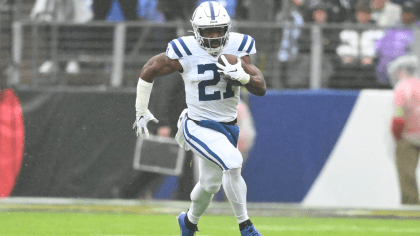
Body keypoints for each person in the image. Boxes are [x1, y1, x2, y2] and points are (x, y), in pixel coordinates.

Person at [132, 2, 266, 235]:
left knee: (209, 185)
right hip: (196, 124)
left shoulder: (238, 46)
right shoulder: (184, 49)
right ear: (196, 31)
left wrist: (243, 77)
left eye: (219, 31)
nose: (214, 38)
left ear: (228, 29)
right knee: (233, 162)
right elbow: (149, 69)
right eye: (207, 32)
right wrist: (141, 109)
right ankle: (246, 227)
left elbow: (261, 87)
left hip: (227, 126)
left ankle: (189, 222)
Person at [389, 54, 420, 205]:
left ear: (401, 70)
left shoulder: (402, 88)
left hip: (408, 136)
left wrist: (396, 135)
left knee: (406, 174)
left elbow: (399, 116)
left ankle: (411, 207)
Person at [30, 0, 93, 75]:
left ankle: (73, 60)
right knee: (48, 24)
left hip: (75, 10)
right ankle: (51, 60)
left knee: (74, 28)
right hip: (51, 9)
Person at [374, 0, 420, 85]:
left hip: (406, 76)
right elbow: (379, 46)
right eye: (404, 12)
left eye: (409, 12)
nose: (405, 15)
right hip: (383, 73)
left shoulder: (417, 30)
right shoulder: (394, 27)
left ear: (416, 15)